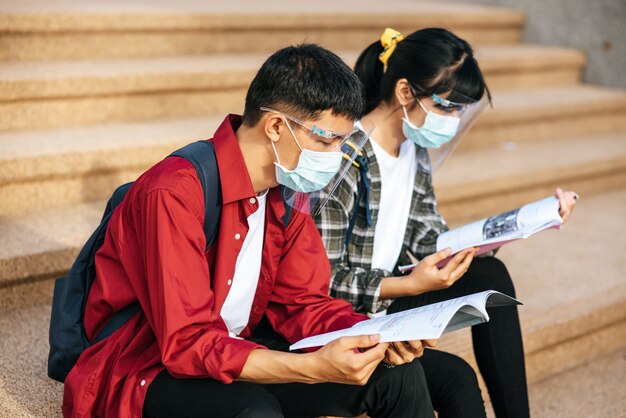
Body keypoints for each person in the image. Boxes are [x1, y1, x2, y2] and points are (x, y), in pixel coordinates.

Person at [61, 44, 438, 418]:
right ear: (276, 126)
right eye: (326, 141)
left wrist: (379, 334)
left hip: (235, 346)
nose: (337, 156)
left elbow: (302, 303)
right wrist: (311, 369)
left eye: (343, 140)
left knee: (399, 376)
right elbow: (186, 343)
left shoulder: (287, 192)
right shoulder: (174, 192)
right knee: (254, 411)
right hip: (145, 362)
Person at [314, 28, 578, 418]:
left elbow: (428, 239)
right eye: (447, 106)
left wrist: (519, 223)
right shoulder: (346, 156)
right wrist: (409, 284)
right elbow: (322, 280)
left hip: (388, 294)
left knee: (491, 274)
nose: (452, 120)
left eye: (460, 110)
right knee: (457, 379)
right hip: (342, 313)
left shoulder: (413, 149)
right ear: (405, 92)